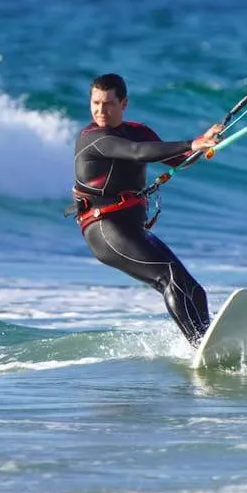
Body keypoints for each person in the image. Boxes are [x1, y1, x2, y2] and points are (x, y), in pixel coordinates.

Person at [69, 73, 224, 346]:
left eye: (108, 104)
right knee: (170, 278)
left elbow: (179, 160)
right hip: (103, 228)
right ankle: (199, 346)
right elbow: (137, 152)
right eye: (95, 103)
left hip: (131, 228)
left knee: (194, 290)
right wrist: (191, 143)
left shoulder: (138, 130)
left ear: (123, 103)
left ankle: (210, 344)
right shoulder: (93, 138)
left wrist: (205, 144)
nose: (100, 110)